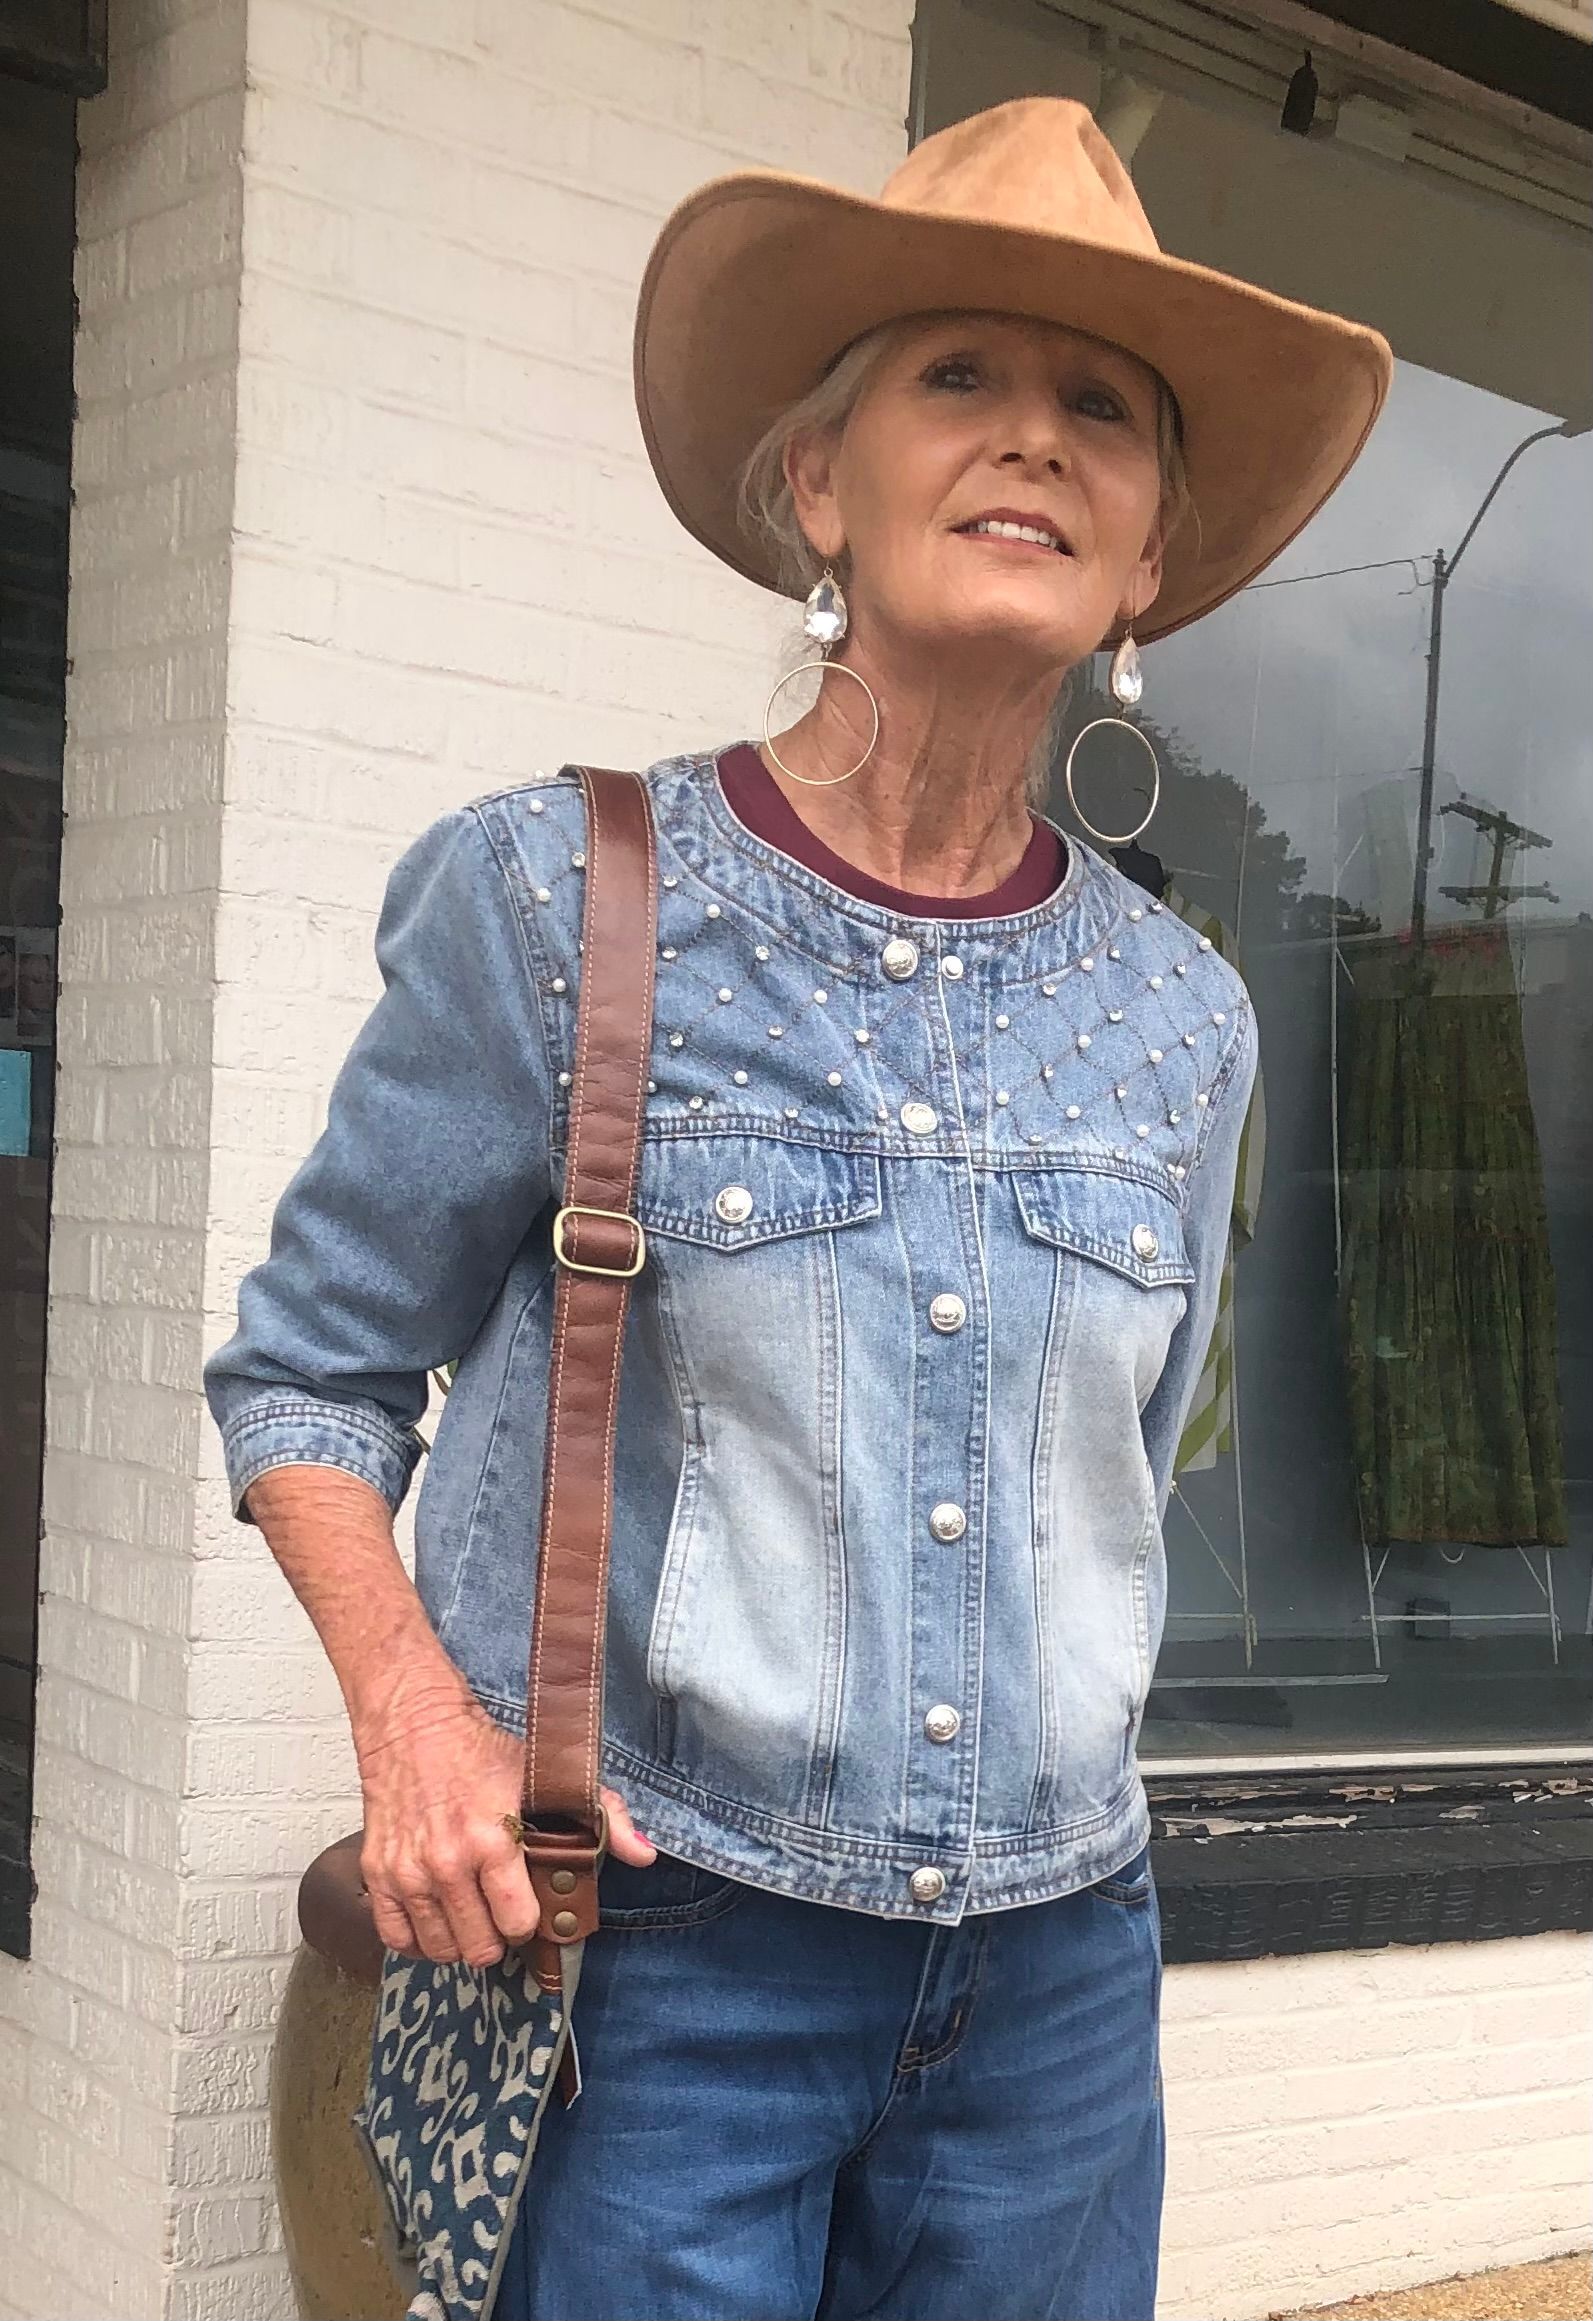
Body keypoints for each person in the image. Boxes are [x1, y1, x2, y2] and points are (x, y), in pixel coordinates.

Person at [204, 96, 1390, 2321]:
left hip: (1056, 1982)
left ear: (1145, 561)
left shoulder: (1181, 1016)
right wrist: (415, 1717)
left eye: (1101, 409)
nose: (1032, 436)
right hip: (663, 1967)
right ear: (818, 484)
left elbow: (1122, 1486)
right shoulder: (560, 902)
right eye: (960, 374)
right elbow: (308, 1372)